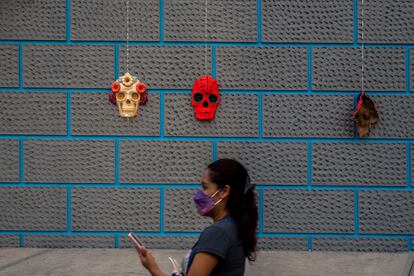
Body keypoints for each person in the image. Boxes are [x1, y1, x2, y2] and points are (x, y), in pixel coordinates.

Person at [133, 158, 258, 276]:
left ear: (224, 191)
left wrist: (153, 268)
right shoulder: (233, 226)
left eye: (205, 187)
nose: (198, 194)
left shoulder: (217, 233)